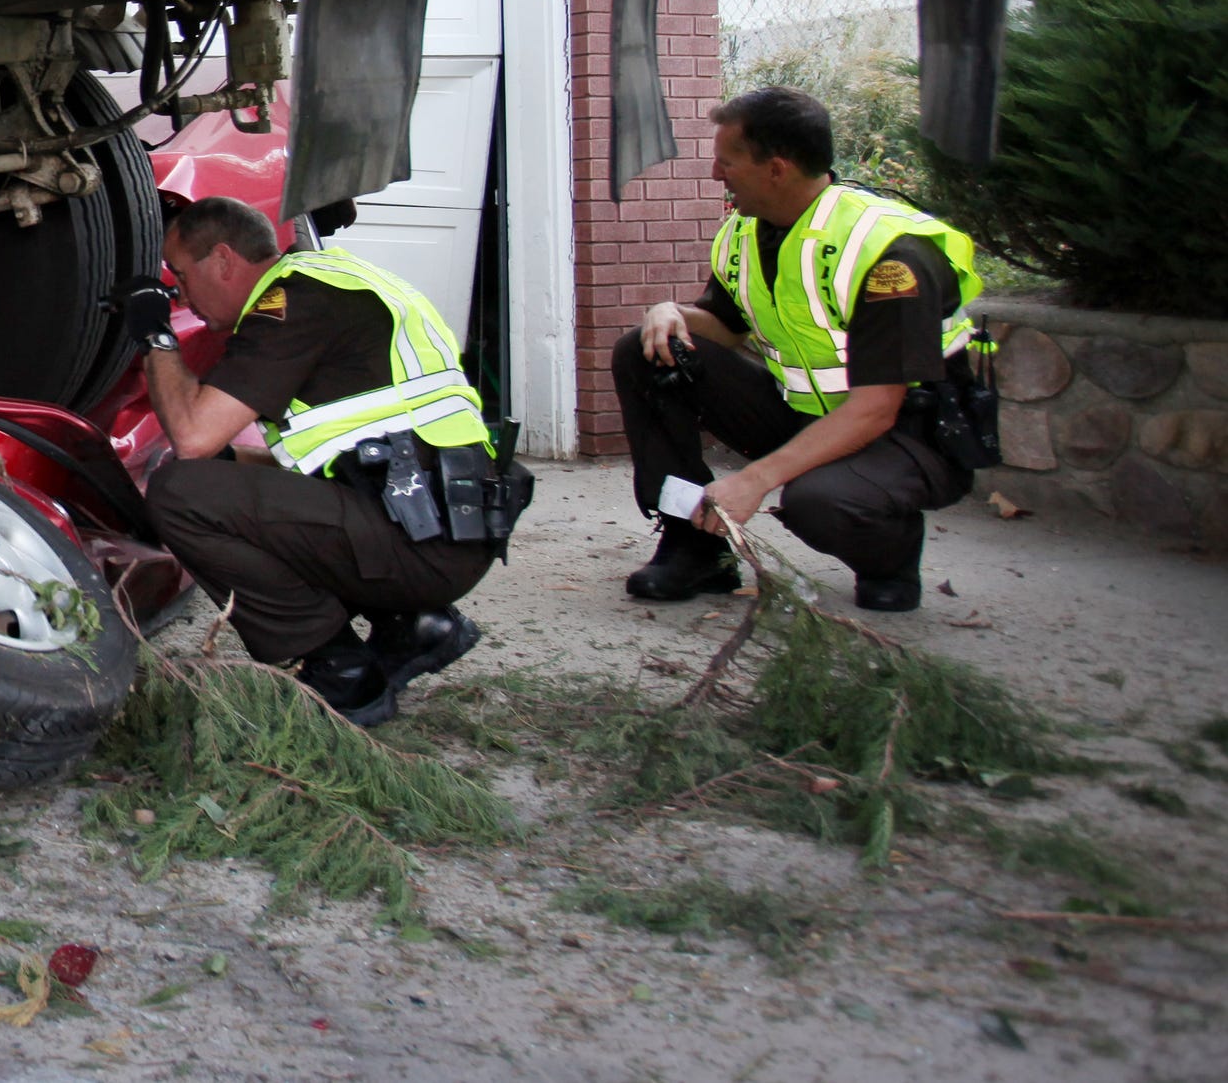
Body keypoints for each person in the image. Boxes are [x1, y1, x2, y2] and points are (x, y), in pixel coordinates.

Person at [115, 196, 524, 725]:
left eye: (181, 274)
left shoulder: (288, 305)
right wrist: (233, 461)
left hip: (418, 543)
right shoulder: (336, 280)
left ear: (222, 259)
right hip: (443, 528)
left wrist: (155, 334)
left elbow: (191, 436)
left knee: (181, 490)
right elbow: (338, 459)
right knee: (218, 472)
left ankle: (340, 670)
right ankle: (413, 626)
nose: (181, 293)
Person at [617, 86, 987, 611]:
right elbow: (726, 326)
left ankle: (891, 555)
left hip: (907, 434)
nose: (716, 175)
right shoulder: (745, 232)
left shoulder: (888, 253)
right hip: (804, 414)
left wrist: (756, 480)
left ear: (778, 169)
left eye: (727, 162)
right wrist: (671, 312)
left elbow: (876, 408)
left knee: (817, 503)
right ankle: (694, 546)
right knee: (646, 350)